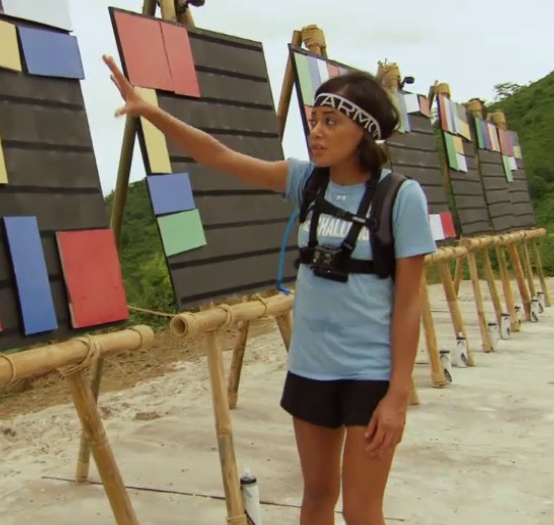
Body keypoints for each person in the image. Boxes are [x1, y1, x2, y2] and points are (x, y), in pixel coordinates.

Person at [102, 54, 436, 525]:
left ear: (364, 131)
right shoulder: (305, 181)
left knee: (362, 511)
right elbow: (218, 156)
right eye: (314, 120)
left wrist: (397, 394)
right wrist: (151, 112)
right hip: (311, 368)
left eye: (331, 122)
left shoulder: (401, 197)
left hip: (370, 372)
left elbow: (408, 302)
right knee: (316, 498)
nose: (316, 132)